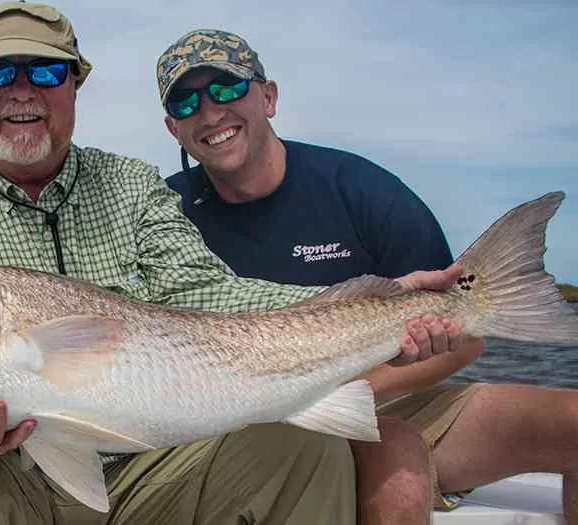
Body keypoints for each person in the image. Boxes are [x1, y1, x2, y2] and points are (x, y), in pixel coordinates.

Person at [0, 3, 465, 525]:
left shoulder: (133, 186)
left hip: (151, 467)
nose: (22, 91)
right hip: (10, 473)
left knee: (306, 444)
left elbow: (209, 293)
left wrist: (389, 302)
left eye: (46, 72)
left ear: (74, 87)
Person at [154, 29, 578, 524]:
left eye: (227, 88)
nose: (210, 113)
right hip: (239, 430)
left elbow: (464, 337)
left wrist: (339, 391)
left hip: (386, 398)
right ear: (173, 128)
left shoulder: (360, 189)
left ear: (268, 97)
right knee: (398, 469)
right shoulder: (162, 215)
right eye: (186, 103)